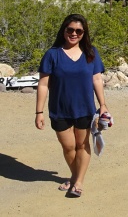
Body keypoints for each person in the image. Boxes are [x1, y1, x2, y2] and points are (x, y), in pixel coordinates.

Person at [35, 13, 108, 197]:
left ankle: (78, 182)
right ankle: (75, 176)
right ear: (64, 30)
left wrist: (103, 105)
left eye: (79, 31)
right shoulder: (52, 54)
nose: (74, 34)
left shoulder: (91, 53)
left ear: (84, 33)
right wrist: (39, 112)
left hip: (85, 109)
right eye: (70, 30)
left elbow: (97, 79)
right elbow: (43, 84)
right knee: (68, 147)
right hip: (60, 110)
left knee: (82, 145)